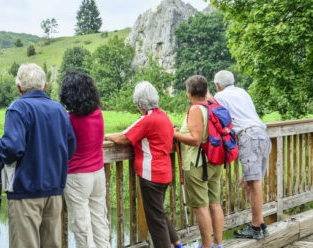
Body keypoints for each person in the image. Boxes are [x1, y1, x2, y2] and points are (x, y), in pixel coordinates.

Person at [0, 63, 76, 248]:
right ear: (44, 86)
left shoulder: (18, 108)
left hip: (25, 191)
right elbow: (70, 147)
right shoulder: (59, 109)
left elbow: (12, 148)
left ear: (18, 87)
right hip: (54, 190)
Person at [105, 81, 182, 248]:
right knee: (158, 212)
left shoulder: (147, 120)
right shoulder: (163, 116)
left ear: (139, 103)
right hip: (164, 172)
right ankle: (177, 243)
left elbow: (122, 138)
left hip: (151, 175)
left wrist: (105, 136)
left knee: (155, 220)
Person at [213, 70, 271, 239]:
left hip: (248, 138)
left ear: (218, 85)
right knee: (246, 183)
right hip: (262, 135)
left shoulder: (220, 96)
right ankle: (260, 224)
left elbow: (210, 106)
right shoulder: (242, 92)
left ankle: (255, 227)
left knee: (253, 184)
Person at [59, 71, 111, 248]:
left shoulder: (69, 120)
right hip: (98, 173)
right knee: (99, 221)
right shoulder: (98, 113)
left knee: (81, 226)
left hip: (77, 176)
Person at [174, 75, 224, 248]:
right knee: (215, 203)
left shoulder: (196, 109)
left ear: (189, 92)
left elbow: (195, 139)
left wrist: (173, 134)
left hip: (197, 164)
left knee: (201, 207)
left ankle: (206, 246)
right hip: (214, 160)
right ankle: (218, 245)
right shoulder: (212, 104)